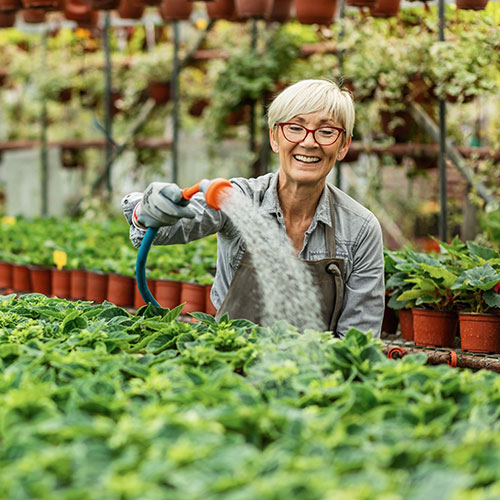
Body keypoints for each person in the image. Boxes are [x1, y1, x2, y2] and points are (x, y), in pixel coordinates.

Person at [122, 79, 385, 337]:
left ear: (343, 146)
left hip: (313, 373)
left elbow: (358, 341)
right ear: (274, 138)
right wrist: (145, 211)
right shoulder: (238, 198)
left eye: (326, 132)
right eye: (295, 128)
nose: (309, 142)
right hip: (230, 360)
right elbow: (167, 230)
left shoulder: (359, 228)